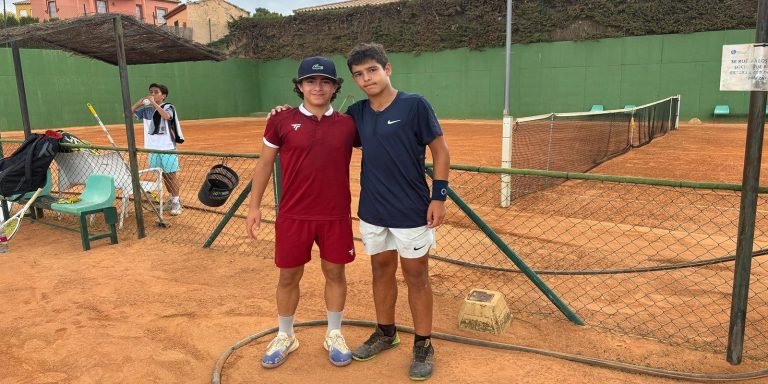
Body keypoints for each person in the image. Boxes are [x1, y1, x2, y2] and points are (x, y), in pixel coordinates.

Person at [343, 42, 450, 381]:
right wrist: (286, 113)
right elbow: (323, 129)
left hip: (411, 210)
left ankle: (423, 343)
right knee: (380, 271)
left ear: (387, 69)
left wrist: (439, 197)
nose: (366, 79)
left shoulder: (415, 105)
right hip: (373, 210)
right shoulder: (356, 113)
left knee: (417, 276)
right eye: (358, 75)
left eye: (372, 70)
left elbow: (441, 152)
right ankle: (386, 333)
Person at [246, 56, 360, 369]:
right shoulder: (280, 121)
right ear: (299, 86)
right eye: (311, 81)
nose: (318, 87)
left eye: (326, 82)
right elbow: (265, 164)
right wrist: (254, 206)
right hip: (293, 216)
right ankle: (286, 335)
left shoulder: (349, 124)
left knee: (335, 273)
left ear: (336, 87)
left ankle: (334, 333)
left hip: (335, 215)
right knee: (288, 276)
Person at [131, 83, 184, 216]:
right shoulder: (146, 110)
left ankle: (177, 202)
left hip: (167, 148)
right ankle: (172, 200)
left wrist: (154, 104)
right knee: (164, 175)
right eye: (151, 92)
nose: (152, 94)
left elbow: (166, 116)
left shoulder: (168, 107)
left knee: (171, 175)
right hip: (153, 149)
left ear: (163, 96)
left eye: (156, 92)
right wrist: (139, 103)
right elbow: (127, 113)